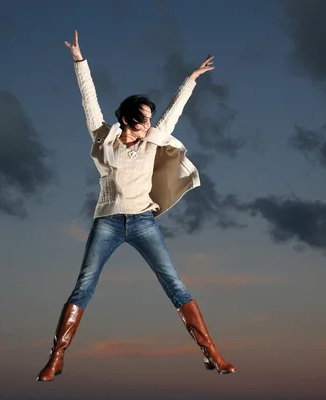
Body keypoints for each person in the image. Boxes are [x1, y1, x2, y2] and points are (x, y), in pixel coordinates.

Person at [36, 30, 236, 381]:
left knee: (173, 283)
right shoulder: (103, 137)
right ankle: (57, 357)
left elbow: (174, 114)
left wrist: (190, 79)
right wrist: (79, 61)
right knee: (84, 284)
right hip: (108, 222)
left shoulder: (152, 141)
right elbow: (89, 100)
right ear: (127, 120)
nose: (149, 125)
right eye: (143, 119)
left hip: (143, 222)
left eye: (149, 119)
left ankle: (212, 354)